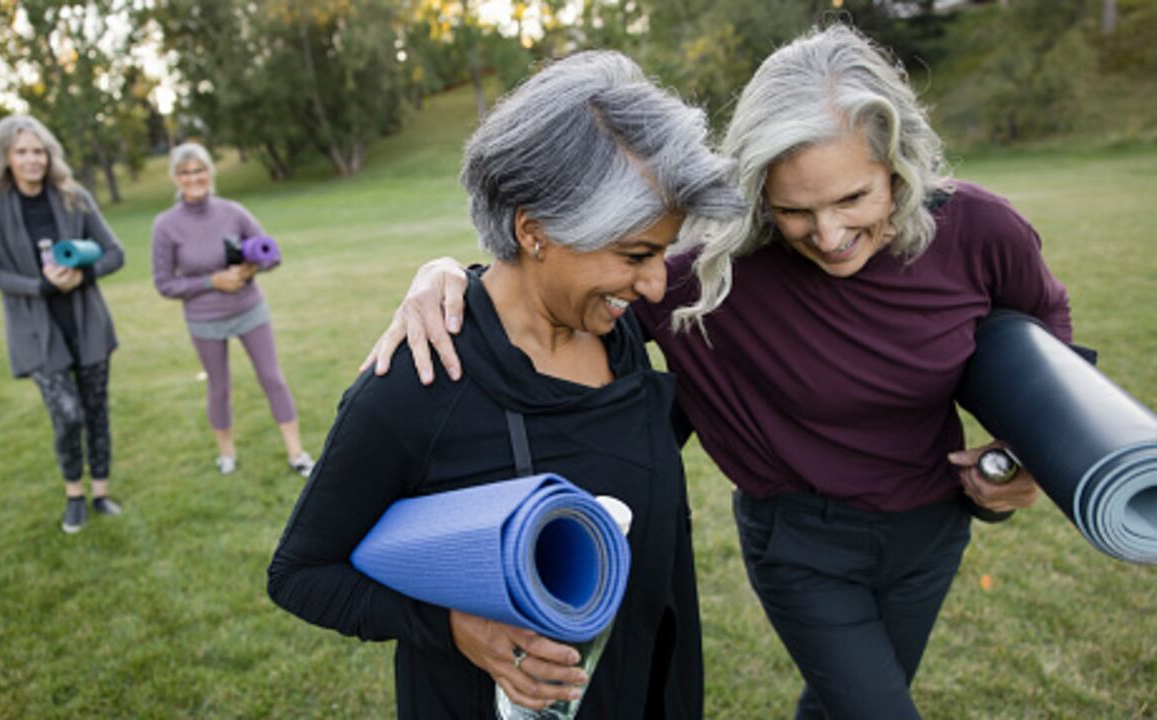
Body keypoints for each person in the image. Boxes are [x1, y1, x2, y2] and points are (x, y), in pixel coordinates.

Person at [362, 24, 1074, 720]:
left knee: (845, 702)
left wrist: (1032, 452)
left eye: (853, 199)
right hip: (803, 546)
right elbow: (556, 280)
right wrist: (449, 276)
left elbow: (1045, 325)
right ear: (758, 193)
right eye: (794, 210)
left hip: (934, 530)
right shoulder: (705, 280)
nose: (829, 236)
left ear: (898, 165)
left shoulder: (979, 230)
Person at [268, 51, 742, 719]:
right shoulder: (421, 381)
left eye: (663, 251)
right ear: (534, 230)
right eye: (635, 255)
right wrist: (453, 627)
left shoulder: (625, 338)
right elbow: (301, 574)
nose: (658, 284)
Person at [0, 115, 126, 535]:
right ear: (6, 156)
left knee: (96, 411)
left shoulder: (73, 196)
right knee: (67, 414)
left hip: (86, 323)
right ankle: (74, 494)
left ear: (49, 155)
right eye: (22, 151)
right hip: (35, 331)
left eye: (38, 151)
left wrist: (82, 276)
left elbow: (115, 253)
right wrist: (40, 287)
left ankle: (100, 492)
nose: (32, 160)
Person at [150, 142, 314, 478]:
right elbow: (165, 283)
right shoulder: (165, 225)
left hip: (249, 310)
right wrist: (212, 281)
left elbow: (272, 255)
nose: (193, 177)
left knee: (272, 378)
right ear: (175, 178)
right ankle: (226, 454)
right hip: (204, 320)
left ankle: (297, 453)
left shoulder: (233, 212)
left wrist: (252, 268)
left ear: (210, 172)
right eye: (185, 172)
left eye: (199, 170)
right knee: (219, 386)